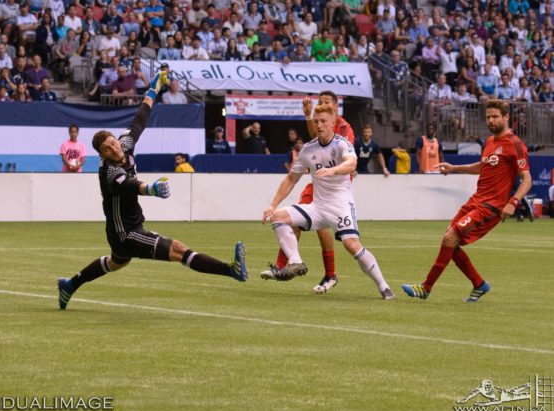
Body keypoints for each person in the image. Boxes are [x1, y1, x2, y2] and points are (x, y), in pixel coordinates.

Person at [57, 72, 248, 310]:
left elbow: (139, 120)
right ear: (102, 155)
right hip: (125, 234)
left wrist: (152, 90)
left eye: (114, 143)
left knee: (115, 263)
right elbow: (129, 185)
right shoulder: (109, 171)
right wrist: (152, 189)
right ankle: (232, 270)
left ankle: (70, 285)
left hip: (127, 228)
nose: (114, 149)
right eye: (107, 149)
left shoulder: (124, 144)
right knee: (178, 250)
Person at [261, 103, 395, 300]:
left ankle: (383, 286)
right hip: (318, 207)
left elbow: (352, 163)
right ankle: (295, 261)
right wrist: (273, 204)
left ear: (333, 123)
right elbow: (291, 178)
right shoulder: (308, 149)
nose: (320, 125)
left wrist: (331, 170)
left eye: (324, 121)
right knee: (277, 216)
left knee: (352, 245)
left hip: (340, 207)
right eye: (316, 121)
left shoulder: (341, 144)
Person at [402, 100, 532, 302]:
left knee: (449, 240)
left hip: (490, 207)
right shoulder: (490, 142)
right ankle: (479, 284)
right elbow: (483, 166)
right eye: (488, 117)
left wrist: (513, 201)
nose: (490, 120)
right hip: (475, 201)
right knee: (450, 243)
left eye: (495, 116)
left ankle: (426, 288)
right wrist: (455, 168)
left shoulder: (515, 144)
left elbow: (527, 178)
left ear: (506, 117)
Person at [263, 90, 355, 293]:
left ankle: (330, 274)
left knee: (331, 232)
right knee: (294, 217)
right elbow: (316, 138)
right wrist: (308, 117)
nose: (321, 105)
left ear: (335, 107)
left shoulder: (344, 128)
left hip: (335, 187)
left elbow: (342, 155)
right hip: (318, 182)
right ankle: (284, 265)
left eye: (326, 102)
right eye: (319, 102)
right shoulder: (321, 123)